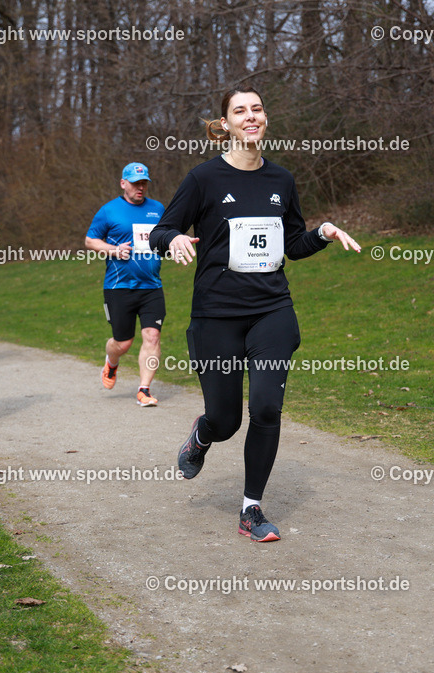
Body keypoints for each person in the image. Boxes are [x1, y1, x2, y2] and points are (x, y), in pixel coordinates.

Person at [149, 85, 362, 543]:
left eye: (258, 109)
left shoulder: (281, 181)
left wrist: (321, 232)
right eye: (240, 110)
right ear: (224, 123)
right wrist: (175, 240)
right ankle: (202, 435)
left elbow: (291, 244)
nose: (251, 116)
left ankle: (251, 509)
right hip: (216, 315)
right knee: (227, 421)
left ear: (265, 119)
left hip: (271, 310)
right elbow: (162, 229)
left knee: (267, 407)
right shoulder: (203, 178)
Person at [84, 162, 166, 406]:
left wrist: (172, 246)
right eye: (135, 183)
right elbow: (90, 241)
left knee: (152, 336)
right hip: (118, 287)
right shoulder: (109, 211)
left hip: (152, 286)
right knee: (123, 342)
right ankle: (111, 363)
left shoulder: (158, 209)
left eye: (144, 183)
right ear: (123, 183)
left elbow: (165, 236)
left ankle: (144, 390)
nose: (140, 187)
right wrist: (113, 249)